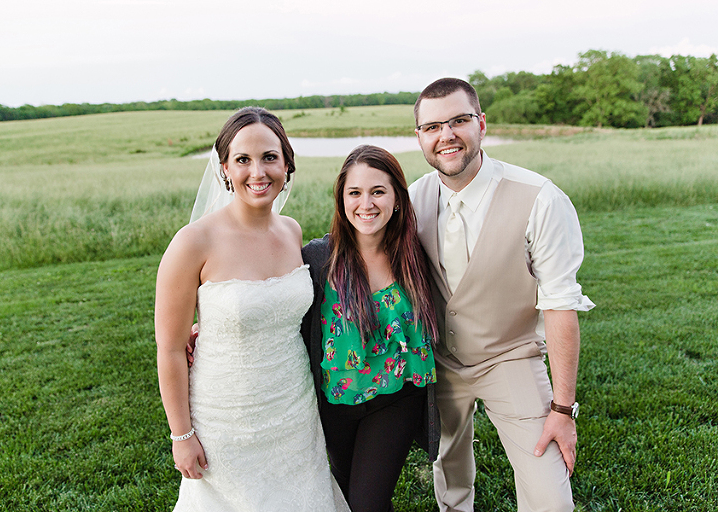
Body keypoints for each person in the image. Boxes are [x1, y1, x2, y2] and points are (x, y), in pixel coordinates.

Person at [408, 78, 595, 512]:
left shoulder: (540, 199)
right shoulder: (412, 199)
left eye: (459, 121)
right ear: (419, 136)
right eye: (432, 126)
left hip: (511, 357)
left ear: (482, 124)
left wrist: (563, 411)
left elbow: (561, 305)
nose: (447, 135)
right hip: (440, 364)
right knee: (449, 479)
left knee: (552, 501)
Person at [155, 107, 348, 511]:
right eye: (242, 159)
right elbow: (171, 349)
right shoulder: (193, 243)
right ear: (224, 167)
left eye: (269, 157)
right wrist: (181, 435)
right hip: (226, 417)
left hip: (294, 406)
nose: (257, 172)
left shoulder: (291, 230)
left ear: (287, 164)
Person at [301, 144, 440, 512]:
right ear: (341, 199)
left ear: (397, 199)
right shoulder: (317, 259)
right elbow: (273, 301)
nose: (367, 203)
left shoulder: (417, 254)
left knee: (367, 503)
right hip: (336, 403)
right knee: (348, 497)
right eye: (355, 193)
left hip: (395, 398)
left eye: (378, 191)